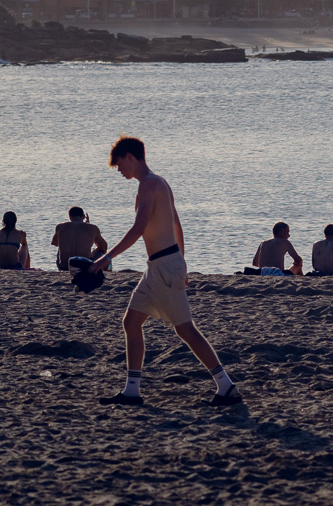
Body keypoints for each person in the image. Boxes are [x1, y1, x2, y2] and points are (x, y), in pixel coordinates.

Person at [83, 137, 243, 406]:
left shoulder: (149, 185)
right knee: (131, 322)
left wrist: (105, 258)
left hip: (164, 266)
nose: (119, 170)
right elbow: (177, 223)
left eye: (120, 164)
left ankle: (225, 386)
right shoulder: (159, 183)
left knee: (186, 330)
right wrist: (183, 262)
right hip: (161, 266)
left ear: (131, 157)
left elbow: (138, 229)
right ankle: (132, 391)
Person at [52, 207, 107, 271]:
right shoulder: (92, 228)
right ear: (83, 217)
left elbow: (55, 243)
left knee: (61, 246)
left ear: (70, 217)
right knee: (104, 254)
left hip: (64, 267)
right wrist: (90, 237)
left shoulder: (60, 227)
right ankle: (107, 273)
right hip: (84, 266)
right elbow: (104, 247)